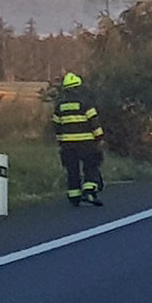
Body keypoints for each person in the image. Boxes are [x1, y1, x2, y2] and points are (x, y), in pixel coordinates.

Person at [52, 72, 105, 207]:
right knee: (90, 166)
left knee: (72, 170)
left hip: (67, 145)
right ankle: (89, 191)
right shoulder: (85, 103)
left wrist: (61, 142)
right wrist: (99, 138)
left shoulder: (59, 106)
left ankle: (74, 196)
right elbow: (94, 122)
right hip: (86, 143)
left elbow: (57, 126)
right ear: (78, 88)